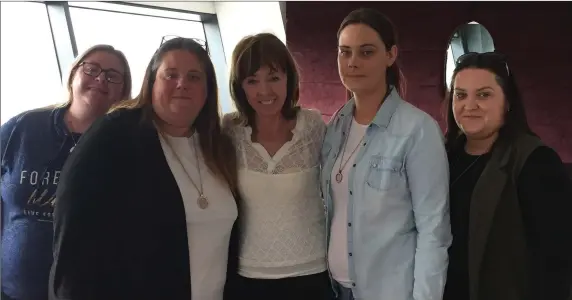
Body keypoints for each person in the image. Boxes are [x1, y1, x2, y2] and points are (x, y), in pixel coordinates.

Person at [48, 37, 240, 300]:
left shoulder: (217, 146)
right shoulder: (113, 135)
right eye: (170, 75)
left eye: (194, 77)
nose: (182, 84)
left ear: (208, 89)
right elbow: (73, 244)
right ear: (151, 83)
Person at [320, 8, 452, 300]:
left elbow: (434, 232)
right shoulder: (335, 126)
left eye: (366, 52)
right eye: (345, 52)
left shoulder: (418, 130)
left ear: (390, 55)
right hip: (336, 290)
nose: (353, 62)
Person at [0, 44, 132, 300]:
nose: (100, 79)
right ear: (73, 75)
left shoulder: (126, 145)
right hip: (12, 290)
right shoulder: (22, 128)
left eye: (112, 75)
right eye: (92, 69)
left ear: (122, 91)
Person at [442, 51, 572, 300]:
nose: (469, 106)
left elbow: (556, 261)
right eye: (460, 95)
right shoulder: (444, 156)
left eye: (484, 95)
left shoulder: (535, 161)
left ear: (508, 102)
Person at [222, 32, 331, 300]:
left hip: (312, 272)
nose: (265, 91)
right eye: (252, 81)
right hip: (249, 276)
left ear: (288, 79)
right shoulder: (229, 130)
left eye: (274, 78)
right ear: (240, 86)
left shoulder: (313, 126)